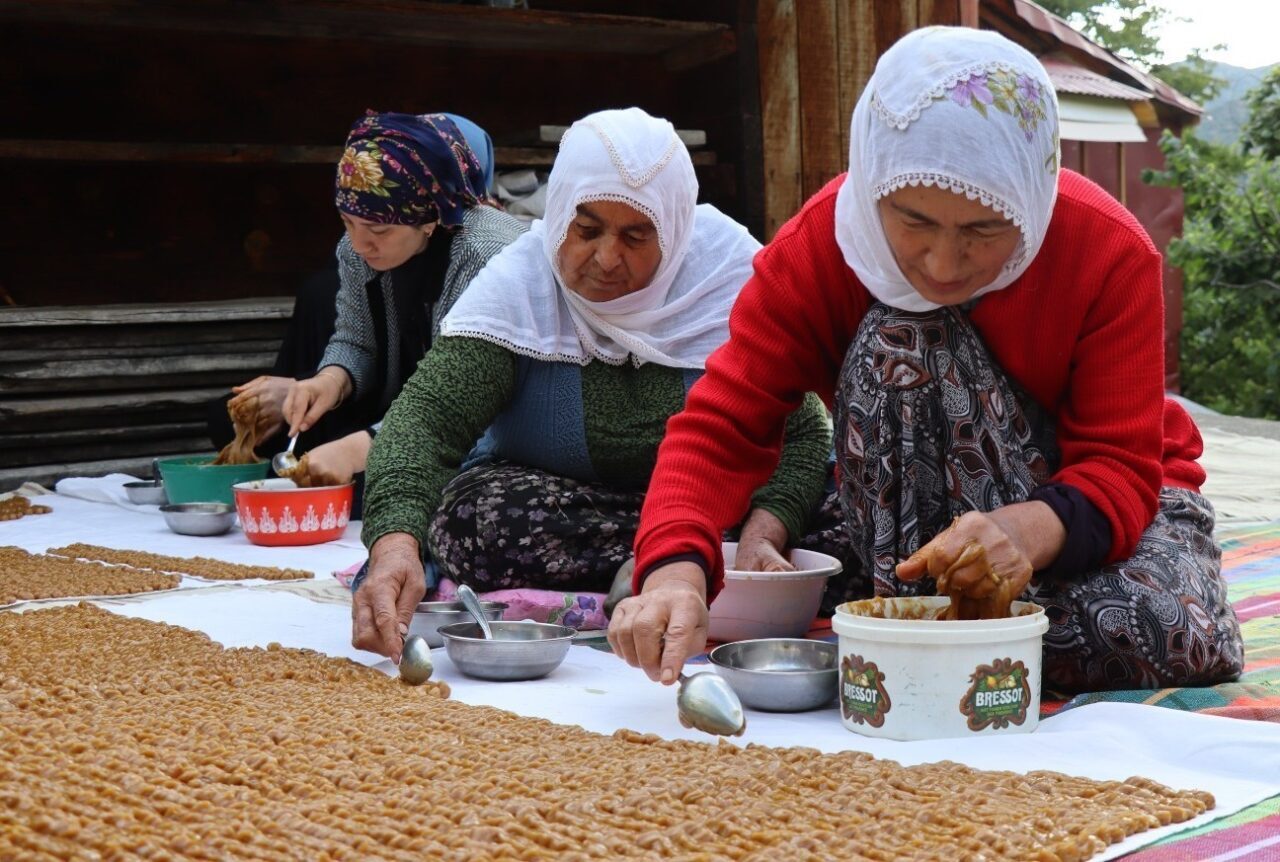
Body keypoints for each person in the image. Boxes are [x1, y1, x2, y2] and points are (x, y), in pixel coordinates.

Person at [609, 26, 1244, 694]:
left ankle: (901, 628)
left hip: (1092, 517)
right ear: (874, 183)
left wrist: (1021, 534)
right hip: (915, 530)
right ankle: (915, 608)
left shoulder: (1109, 251)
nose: (943, 264)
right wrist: (675, 571)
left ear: (1030, 197)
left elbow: (1121, 465)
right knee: (901, 336)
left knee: (1164, 630)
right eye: (912, 221)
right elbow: (722, 426)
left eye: (983, 230)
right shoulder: (820, 249)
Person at [350, 108, 833, 662]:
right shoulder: (521, 286)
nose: (606, 258)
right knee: (474, 517)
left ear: (674, 229)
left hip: (717, 515)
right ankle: (675, 570)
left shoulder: (730, 281)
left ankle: (681, 564)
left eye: (636, 235)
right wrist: (393, 549)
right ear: (558, 217)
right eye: (586, 230)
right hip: (569, 510)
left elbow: (803, 436)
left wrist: (764, 535)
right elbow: (425, 421)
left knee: (850, 523)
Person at [213, 111, 524, 496]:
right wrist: (328, 382)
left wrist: (357, 449)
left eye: (379, 230)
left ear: (430, 220)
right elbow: (355, 340)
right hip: (414, 417)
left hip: (495, 430)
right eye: (347, 222)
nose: (360, 244)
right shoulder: (357, 249)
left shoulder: (488, 256)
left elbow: (461, 397)